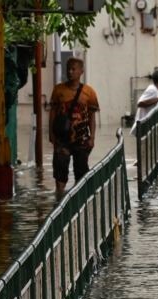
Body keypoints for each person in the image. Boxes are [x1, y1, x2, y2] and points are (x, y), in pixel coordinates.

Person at [48, 57, 99, 196]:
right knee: (60, 172)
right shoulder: (58, 90)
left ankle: (79, 199)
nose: (70, 72)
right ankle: (59, 198)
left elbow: (92, 117)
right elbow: (52, 112)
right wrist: (51, 134)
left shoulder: (89, 92)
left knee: (81, 172)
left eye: (73, 69)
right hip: (62, 138)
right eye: (68, 69)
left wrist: (92, 138)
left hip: (81, 138)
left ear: (81, 71)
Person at [132, 66, 158, 134]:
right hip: (143, 126)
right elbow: (140, 103)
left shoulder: (157, 90)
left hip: (147, 126)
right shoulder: (152, 89)